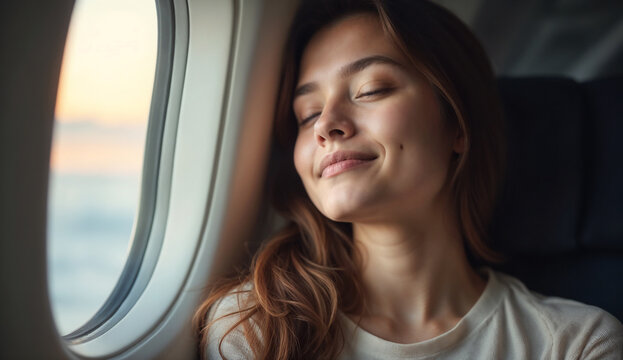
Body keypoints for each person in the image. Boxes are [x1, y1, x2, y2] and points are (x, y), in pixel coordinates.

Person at [195, 0, 623, 359]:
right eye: (307, 115)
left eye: (371, 90)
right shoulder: (254, 328)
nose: (326, 125)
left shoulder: (574, 343)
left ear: (456, 124)